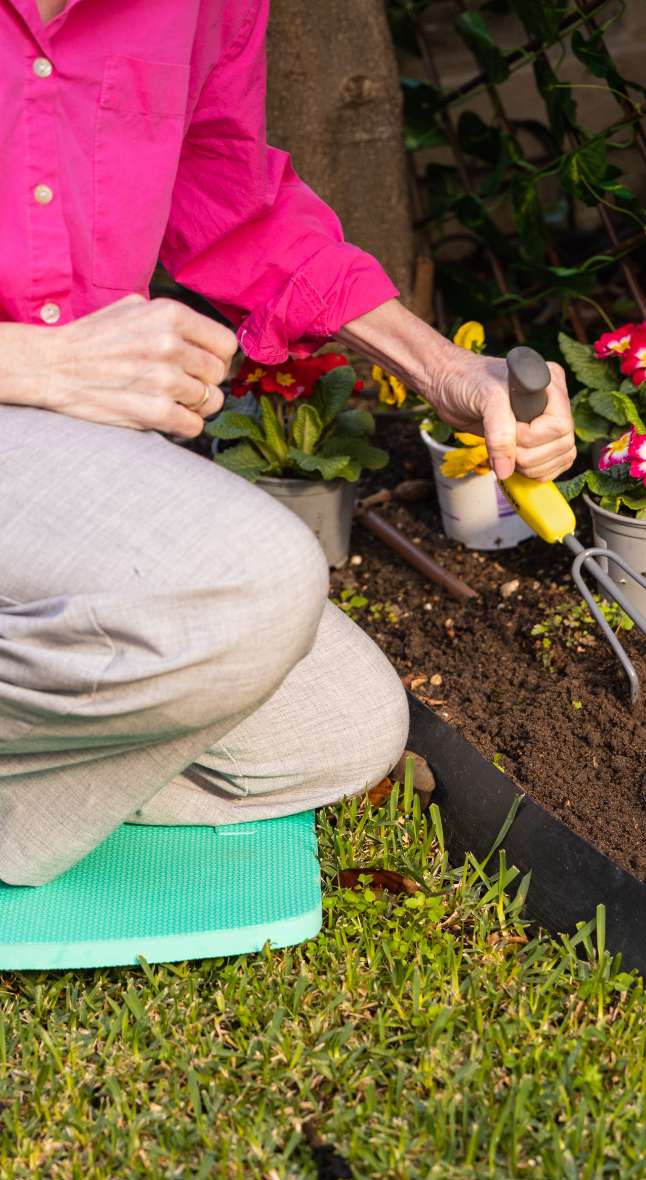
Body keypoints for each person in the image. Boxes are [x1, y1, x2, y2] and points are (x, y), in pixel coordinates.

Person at [0, 0, 576, 886]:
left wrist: (443, 369)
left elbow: (223, 188)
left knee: (339, 731)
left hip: (53, 442)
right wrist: (35, 365)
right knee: (263, 583)